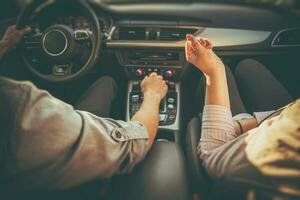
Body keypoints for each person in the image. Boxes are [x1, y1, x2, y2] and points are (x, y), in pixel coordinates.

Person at [0, 25, 168, 194]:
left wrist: (5, 44)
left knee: (106, 82)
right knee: (106, 83)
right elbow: (134, 143)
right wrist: (152, 95)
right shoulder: (19, 113)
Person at [185, 34, 300, 198]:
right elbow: (288, 112)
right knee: (248, 67)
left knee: (232, 73)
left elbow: (212, 157)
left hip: (245, 153)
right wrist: (245, 124)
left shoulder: (283, 155)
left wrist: (215, 70)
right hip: (262, 129)